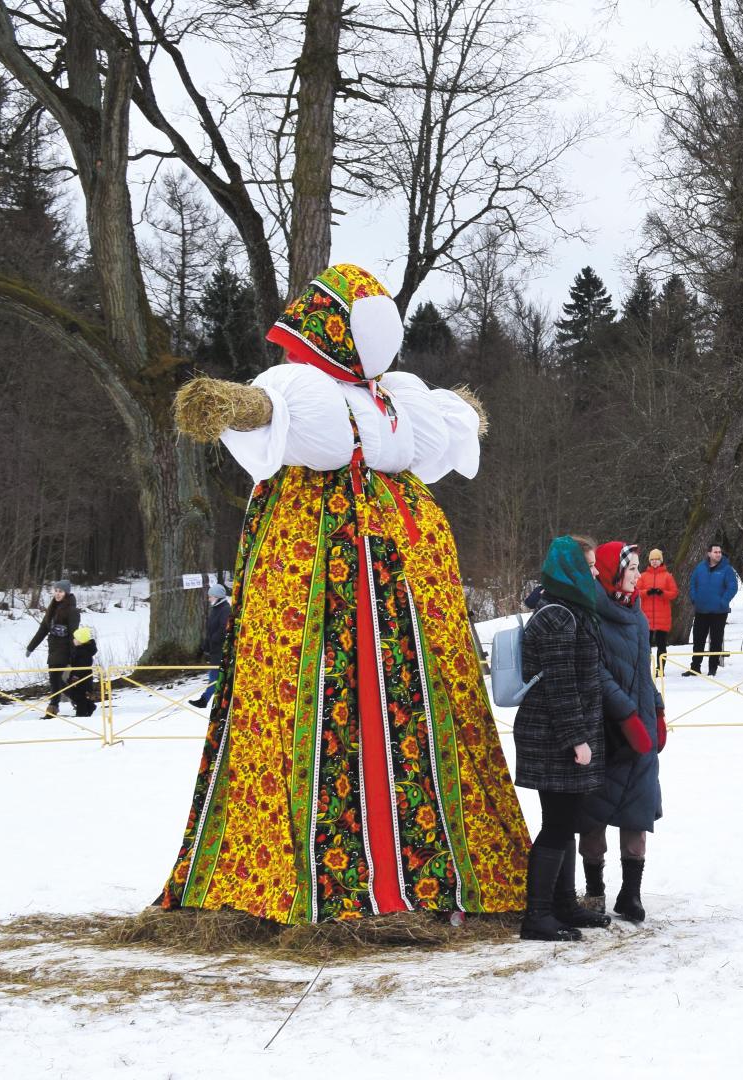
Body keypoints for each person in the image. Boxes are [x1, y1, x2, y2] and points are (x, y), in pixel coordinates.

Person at [158, 263, 531, 924]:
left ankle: (416, 858)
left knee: (415, 684)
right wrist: (232, 405)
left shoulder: (395, 398)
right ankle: (333, 863)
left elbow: (441, 428)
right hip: (334, 551)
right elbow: (265, 410)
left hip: (393, 550)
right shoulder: (303, 396)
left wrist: (458, 417)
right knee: (316, 683)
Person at [517, 535, 611, 940]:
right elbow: (560, 686)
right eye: (588, 565)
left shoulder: (573, 611)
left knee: (564, 821)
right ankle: (537, 916)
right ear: (569, 569)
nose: (595, 572)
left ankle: (563, 906)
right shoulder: (557, 617)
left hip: (563, 731)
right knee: (556, 823)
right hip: (552, 735)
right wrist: (577, 739)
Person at [578, 541, 667, 923]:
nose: (637, 574)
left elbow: (643, 671)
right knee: (594, 813)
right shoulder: (592, 616)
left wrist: (657, 709)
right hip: (606, 730)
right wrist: (626, 715)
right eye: (630, 568)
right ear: (615, 572)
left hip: (641, 727)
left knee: (637, 809)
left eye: (637, 568)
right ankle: (594, 892)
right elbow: (595, 672)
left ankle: (630, 893)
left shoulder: (639, 617)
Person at [684, 543, 739, 677]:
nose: (718, 554)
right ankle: (695, 667)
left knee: (716, 640)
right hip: (701, 610)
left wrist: (723, 601)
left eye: (719, 552)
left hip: (719, 612)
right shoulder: (700, 568)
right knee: (698, 640)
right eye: (715, 552)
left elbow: (733, 587)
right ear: (709, 553)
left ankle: (712, 669)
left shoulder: (726, 569)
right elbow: (692, 584)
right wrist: (694, 598)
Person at [26, 580, 79, 717]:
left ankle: (53, 706)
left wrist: (74, 652)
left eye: (60, 591)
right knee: (55, 679)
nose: (57, 594)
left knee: (55, 677)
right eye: (56, 591)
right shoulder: (52, 608)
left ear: (66, 593)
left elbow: (74, 632)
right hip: (53, 648)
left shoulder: (72, 610)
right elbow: (43, 629)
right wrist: (31, 647)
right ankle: (77, 699)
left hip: (64, 648)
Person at [188, 583, 232, 709]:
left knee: (214, 677)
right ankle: (212, 701)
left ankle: (205, 700)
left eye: (210, 596)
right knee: (215, 676)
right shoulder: (215, 609)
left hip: (221, 650)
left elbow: (224, 629)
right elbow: (210, 631)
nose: (209, 599)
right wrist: (203, 648)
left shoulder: (225, 609)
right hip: (214, 650)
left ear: (217, 597)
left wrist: (213, 640)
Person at [638, 548, 679, 676]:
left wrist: (663, 593)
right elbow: (636, 591)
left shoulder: (667, 576)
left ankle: (660, 669)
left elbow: (674, 593)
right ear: (649, 561)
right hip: (647, 616)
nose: (654, 562)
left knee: (661, 644)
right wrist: (647, 592)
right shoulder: (643, 576)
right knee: (646, 645)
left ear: (661, 561)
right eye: (652, 560)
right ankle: (645, 668)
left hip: (663, 616)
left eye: (657, 559)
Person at [66, 625, 99, 719]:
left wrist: (76, 676)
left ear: (81, 640)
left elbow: (83, 665)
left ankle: (82, 714)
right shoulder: (80, 650)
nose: (73, 640)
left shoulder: (83, 652)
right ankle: (88, 708)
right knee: (77, 695)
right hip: (79, 676)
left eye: (75, 638)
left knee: (79, 696)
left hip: (82, 678)